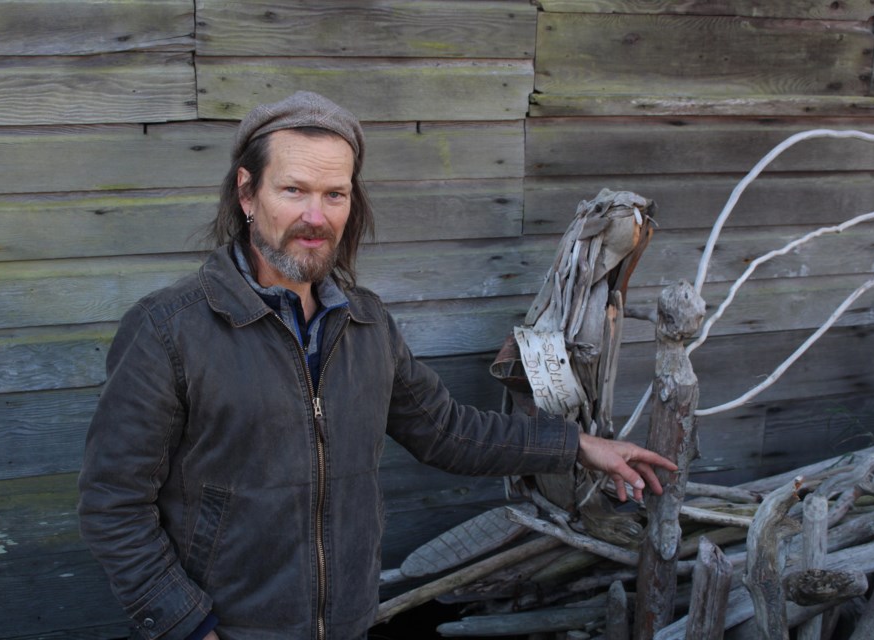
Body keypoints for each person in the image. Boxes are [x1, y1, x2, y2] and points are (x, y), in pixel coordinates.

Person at [77, 91, 677, 640]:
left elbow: (446, 431)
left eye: (334, 194)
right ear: (246, 193)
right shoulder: (168, 329)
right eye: (294, 191)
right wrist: (187, 625)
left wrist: (575, 445)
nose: (317, 216)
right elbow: (114, 502)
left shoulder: (364, 324)